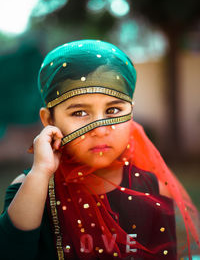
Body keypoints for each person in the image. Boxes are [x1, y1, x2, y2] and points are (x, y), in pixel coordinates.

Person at [0, 39, 199, 260]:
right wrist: (40, 173)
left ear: (130, 114)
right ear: (49, 120)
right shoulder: (28, 188)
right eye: (79, 113)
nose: (100, 130)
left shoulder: (153, 189)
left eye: (113, 109)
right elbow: (11, 251)